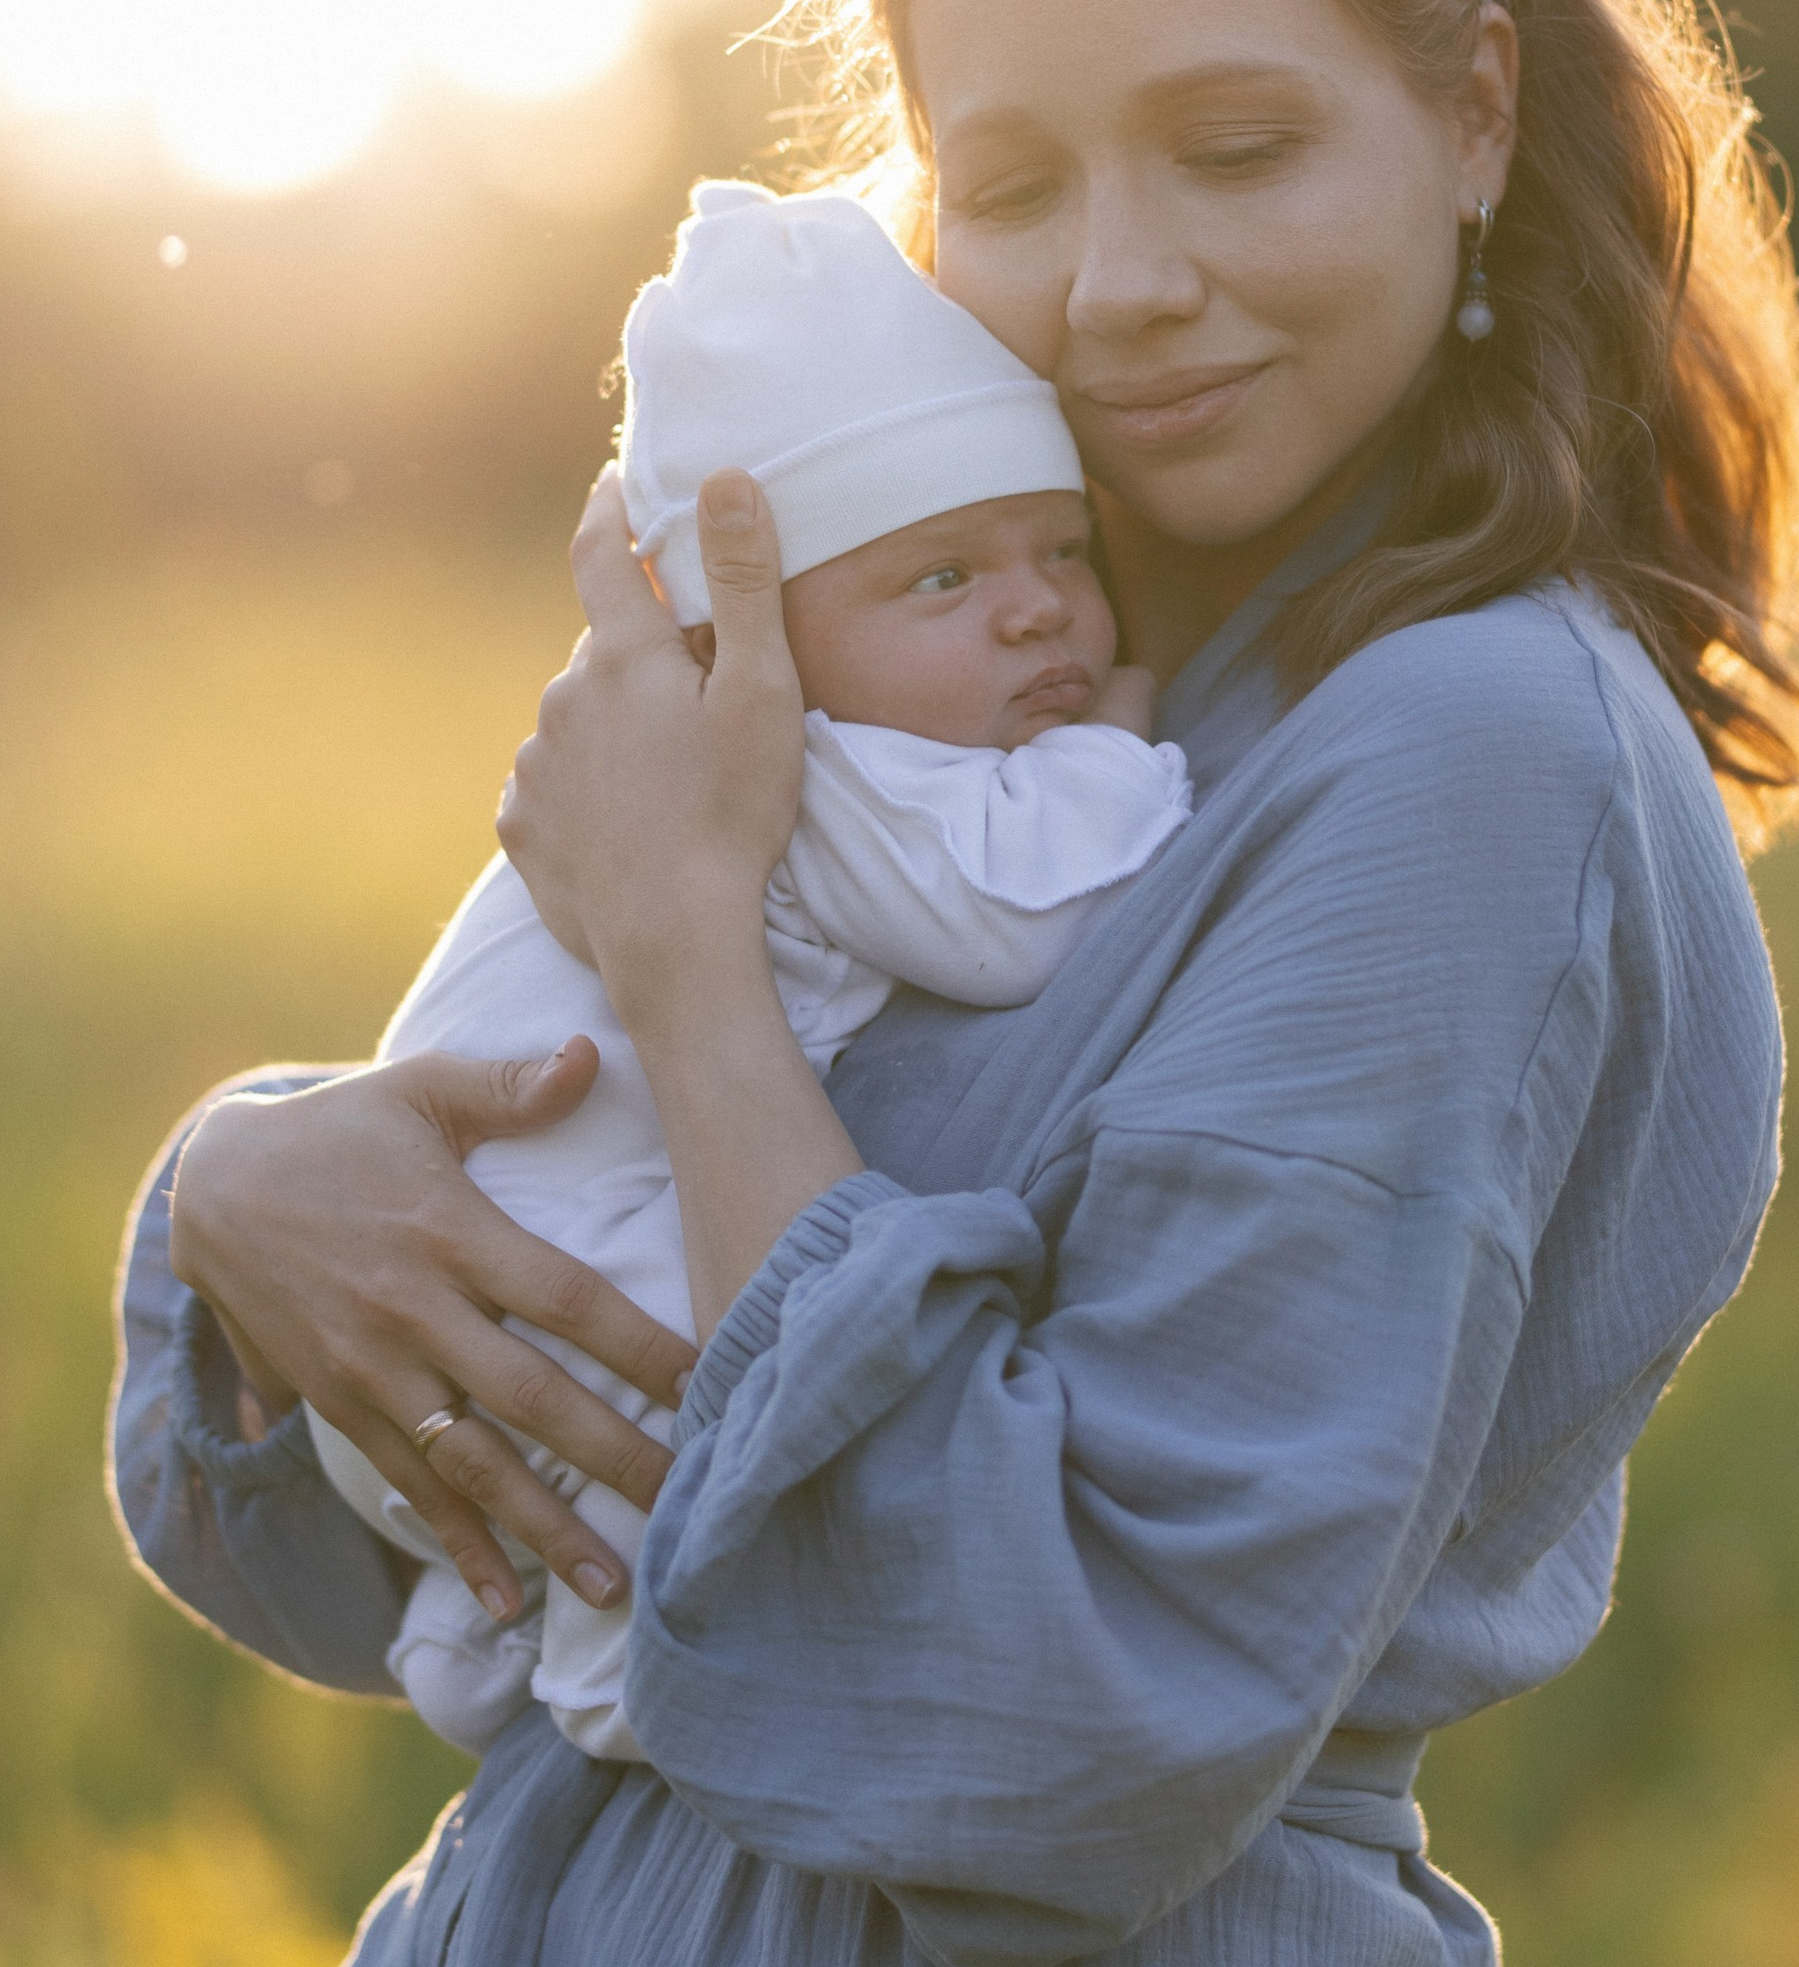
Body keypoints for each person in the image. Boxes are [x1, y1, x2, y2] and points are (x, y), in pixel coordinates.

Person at [109, 0, 1799, 1967]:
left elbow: (1062, 1719)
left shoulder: (1463, 757)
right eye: (1010, 181)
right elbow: (500, 1514)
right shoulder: (1041, 702)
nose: (1117, 278)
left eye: (1233, 145)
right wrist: (258, 1176)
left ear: (1468, 115)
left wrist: (682, 950)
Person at [311, 174, 1190, 1761]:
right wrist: (1117, 758)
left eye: (1059, 547)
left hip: (425, 1325)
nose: (1036, 612)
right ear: (741, 641)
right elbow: (1011, 927)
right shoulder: (791, 765)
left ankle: (466, 1622)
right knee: (673, 1376)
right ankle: (599, 1671)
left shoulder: (803, 738)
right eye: (940, 578)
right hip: (510, 1283)